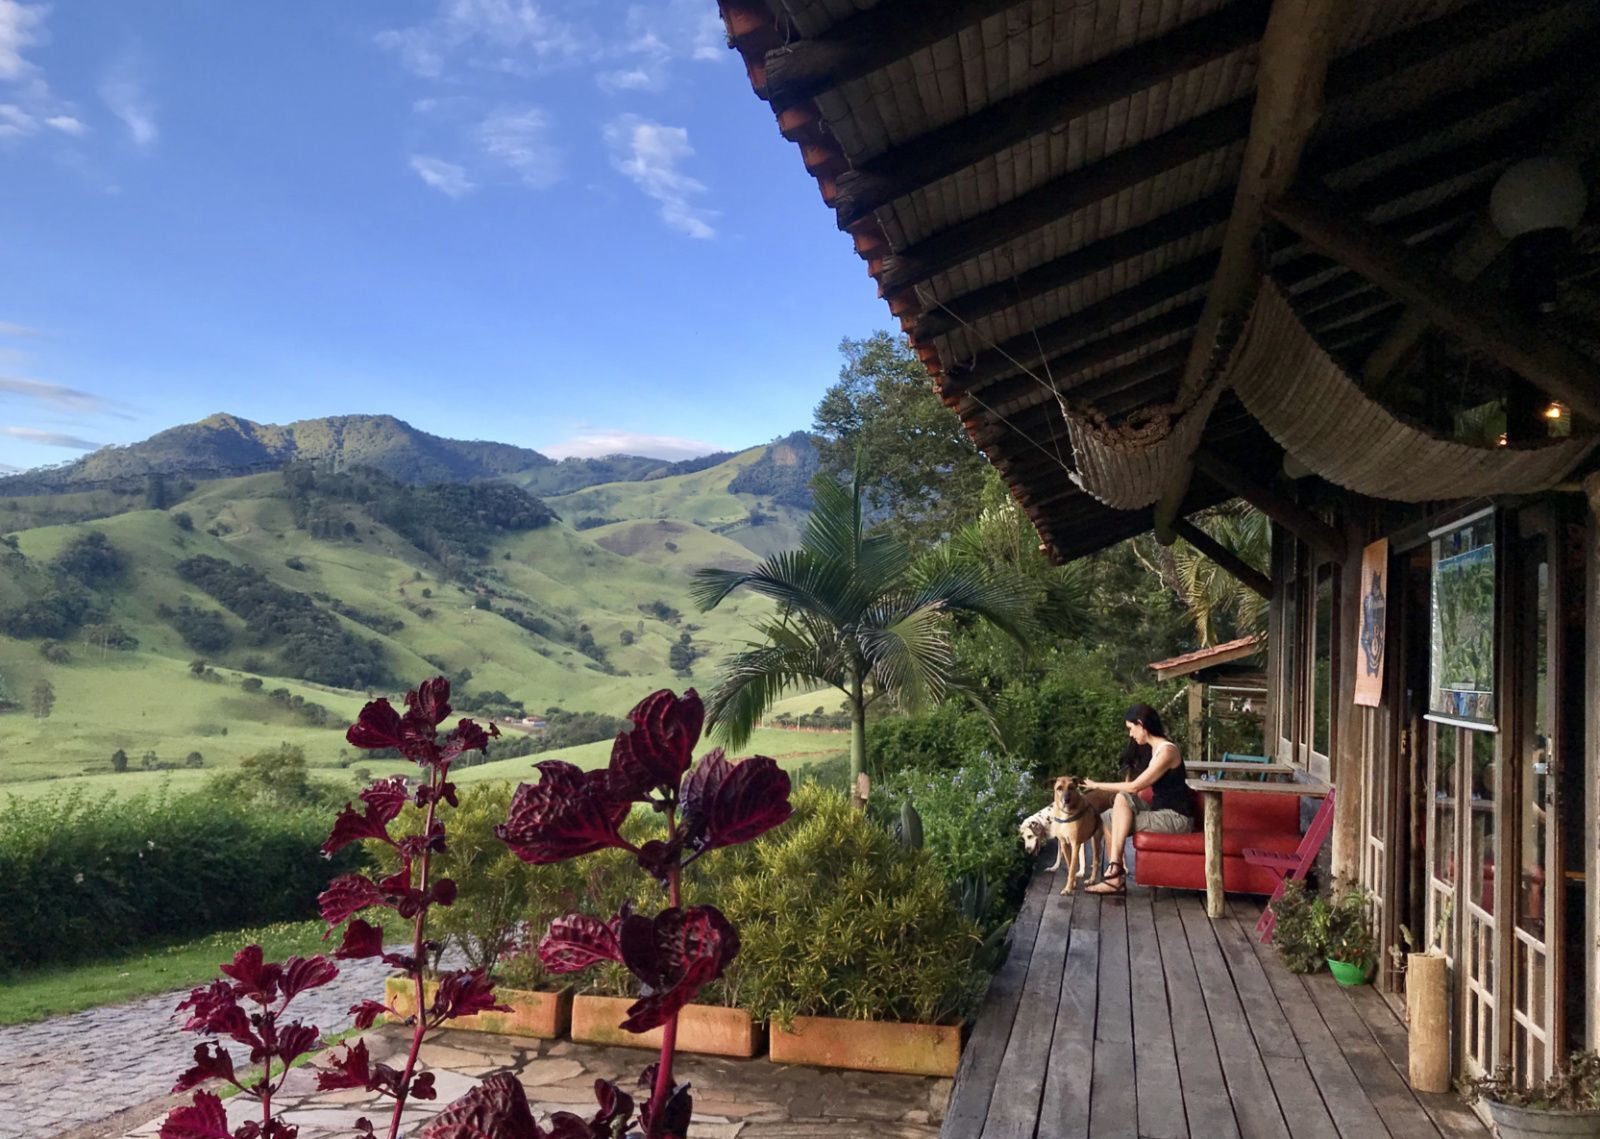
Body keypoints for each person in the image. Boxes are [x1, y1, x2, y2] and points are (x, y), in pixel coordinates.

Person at [1082, 704, 1195, 895]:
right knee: (1112, 811)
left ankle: (1114, 873)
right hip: (1159, 811)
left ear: (1141, 724)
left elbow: (1135, 787)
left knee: (1117, 811)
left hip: (1177, 818)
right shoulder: (1153, 749)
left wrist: (1096, 785)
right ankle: (1115, 872)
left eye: (1131, 728)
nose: (1130, 734)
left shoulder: (1167, 751)